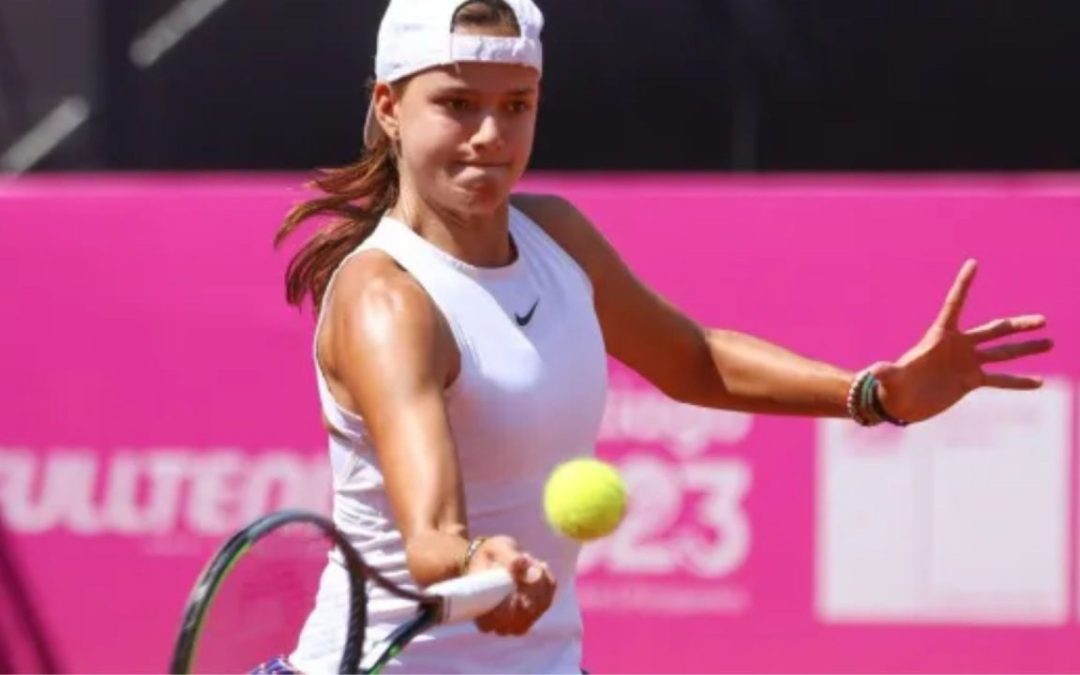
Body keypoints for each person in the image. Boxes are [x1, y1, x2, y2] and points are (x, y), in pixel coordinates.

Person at [272, 0, 1054, 672]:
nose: (490, 134)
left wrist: (876, 394)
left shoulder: (556, 236)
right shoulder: (388, 300)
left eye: (516, 104)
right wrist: (479, 561)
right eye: (457, 104)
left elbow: (694, 360)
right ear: (388, 106)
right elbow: (433, 535)